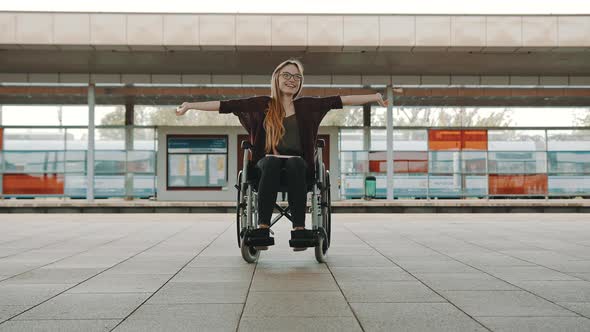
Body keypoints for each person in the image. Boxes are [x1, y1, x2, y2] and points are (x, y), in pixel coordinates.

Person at [176, 59, 397, 251]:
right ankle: (263, 228)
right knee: (271, 161)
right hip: (266, 169)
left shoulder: (308, 106)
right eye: (287, 75)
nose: (292, 79)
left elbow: (341, 100)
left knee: (295, 163)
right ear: (276, 78)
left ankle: (299, 229)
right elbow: (224, 105)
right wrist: (189, 105)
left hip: (298, 170)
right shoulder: (261, 105)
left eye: (297, 76)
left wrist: (375, 96)